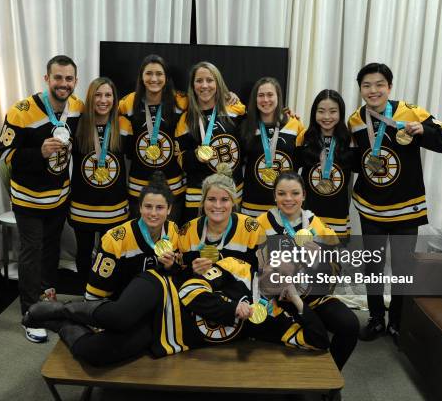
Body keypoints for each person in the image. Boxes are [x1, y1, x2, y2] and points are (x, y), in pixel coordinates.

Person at [23, 171, 330, 366]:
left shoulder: (275, 317)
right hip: (164, 291)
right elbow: (190, 286)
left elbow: (318, 340)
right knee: (118, 316)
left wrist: (297, 300)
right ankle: (61, 308)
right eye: (212, 199)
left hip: (170, 329)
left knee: (98, 354)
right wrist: (234, 305)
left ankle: (61, 324)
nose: (219, 206)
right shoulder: (238, 269)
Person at [348, 63, 442, 343]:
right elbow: (359, 161)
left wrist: (422, 131)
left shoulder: (411, 111)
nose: (373, 90)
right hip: (371, 207)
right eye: (367, 85)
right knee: (373, 265)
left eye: (379, 84)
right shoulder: (356, 120)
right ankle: (375, 318)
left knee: (404, 268)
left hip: (407, 206)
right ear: (360, 89)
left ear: (389, 87)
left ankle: (397, 320)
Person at [0, 55, 84, 343]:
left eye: (68, 78)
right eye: (57, 78)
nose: (63, 84)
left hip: (58, 197)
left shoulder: (77, 107)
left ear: (75, 81)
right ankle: (29, 314)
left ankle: (46, 301)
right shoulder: (21, 111)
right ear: (47, 79)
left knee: (51, 251)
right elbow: (4, 154)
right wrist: (38, 153)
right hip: (28, 199)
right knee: (31, 253)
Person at [256, 171, 359, 372]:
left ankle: (330, 379)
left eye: (294, 193)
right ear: (274, 196)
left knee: (349, 325)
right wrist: (266, 268)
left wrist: (320, 259)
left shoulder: (317, 224)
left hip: (312, 297)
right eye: (281, 193)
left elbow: (337, 269)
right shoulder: (259, 224)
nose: (288, 199)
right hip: (274, 299)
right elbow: (247, 266)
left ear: (304, 195)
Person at [68, 77, 129, 289]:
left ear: (115, 99)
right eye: (98, 95)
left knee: (110, 256)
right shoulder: (77, 125)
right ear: (90, 98)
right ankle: (85, 295)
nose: (103, 100)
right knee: (83, 255)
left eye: (108, 95)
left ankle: (105, 295)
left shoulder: (123, 125)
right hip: (82, 207)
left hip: (114, 208)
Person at [84, 171, 180, 301]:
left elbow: (175, 276)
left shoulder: (173, 231)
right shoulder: (114, 240)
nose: (153, 213)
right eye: (148, 206)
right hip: (119, 306)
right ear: (140, 207)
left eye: (160, 208)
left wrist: (170, 267)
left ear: (169, 209)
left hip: (155, 303)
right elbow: (95, 292)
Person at [118, 54, 187, 222]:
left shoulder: (181, 101)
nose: (154, 78)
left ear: (166, 77)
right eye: (149, 73)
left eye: (159, 74)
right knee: (141, 240)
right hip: (138, 188)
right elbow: (102, 110)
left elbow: (208, 102)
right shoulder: (128, 102)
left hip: (173, 188)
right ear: (141, 77)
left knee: (169, 241)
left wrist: (229, 96)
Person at [175, 61, 246, 221]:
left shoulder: (235, 109)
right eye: (199, 80)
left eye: (210, 80)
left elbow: (251, 143)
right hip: (198, 196)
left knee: (231, 244)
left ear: (218, 83)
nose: (204, 85)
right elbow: (180, 160)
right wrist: (195, 156)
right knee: (197, 243)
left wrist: (285, 115)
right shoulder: (186, 119)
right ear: (193, 85)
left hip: (231, 194)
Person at [295, 89, 358, 238]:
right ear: (314, 113)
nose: (327, 117)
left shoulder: (350, 140)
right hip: (308, 214)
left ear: (340, 113)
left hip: (338, 214)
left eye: (333, 111)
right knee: (306, 258)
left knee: (332, 260)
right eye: (321, 111)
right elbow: (291, 172)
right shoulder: (304, 138)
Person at [240, 77, 306, 217]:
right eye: (261, 95)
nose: (265, 100)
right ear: (255, 99)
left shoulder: (295, 125)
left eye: (270, 95)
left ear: (278, 97)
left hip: (285, 204)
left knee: (281, 240)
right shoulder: (246, 126)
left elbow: (301, 162)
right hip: (252, 204)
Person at [178, 163, 259, 276]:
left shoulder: (252, 229)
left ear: (233, 202)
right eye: (211, 199)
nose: (217, 205)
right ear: (203, 201)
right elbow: (179, 275)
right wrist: (192, 271)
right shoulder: (187, 232)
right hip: (202, 290)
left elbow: (264, 272)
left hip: (239, 291)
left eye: (224, 199)